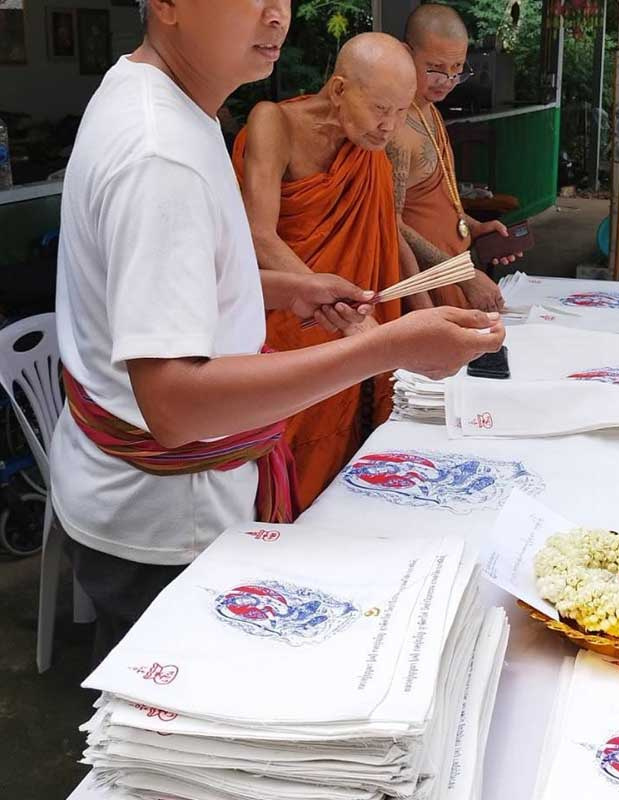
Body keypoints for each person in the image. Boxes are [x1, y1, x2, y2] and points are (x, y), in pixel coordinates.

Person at [51, 0, 505, 662]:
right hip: (170, 526)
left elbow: (165, 290)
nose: (276, 16)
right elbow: (175, 403)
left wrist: (290, 289)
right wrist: (386, 346)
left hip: (161, 507)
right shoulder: (161, 151)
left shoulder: (171, 105)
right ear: (168, 5)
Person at [232, 33, 439, 510]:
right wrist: (332, 305)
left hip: (347, 320)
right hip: (287, 321)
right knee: (283, 453)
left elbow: (387, 230)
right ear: (341, 89)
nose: (390, 126)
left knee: (347, 461)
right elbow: (258, 236)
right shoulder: (274, 122)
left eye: (401, 112)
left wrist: (418, 308)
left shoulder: (366, 150)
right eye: (381, 108)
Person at [388, 3, 520, 313]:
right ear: (407, 53)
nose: (446, 81)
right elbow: (389, 225)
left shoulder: (430, 111)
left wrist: (473, 227)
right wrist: (464, 276)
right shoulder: (393, 127)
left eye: (457, 69)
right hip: (424, 287)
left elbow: (437, 203)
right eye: (434, 68)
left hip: (455, 273)